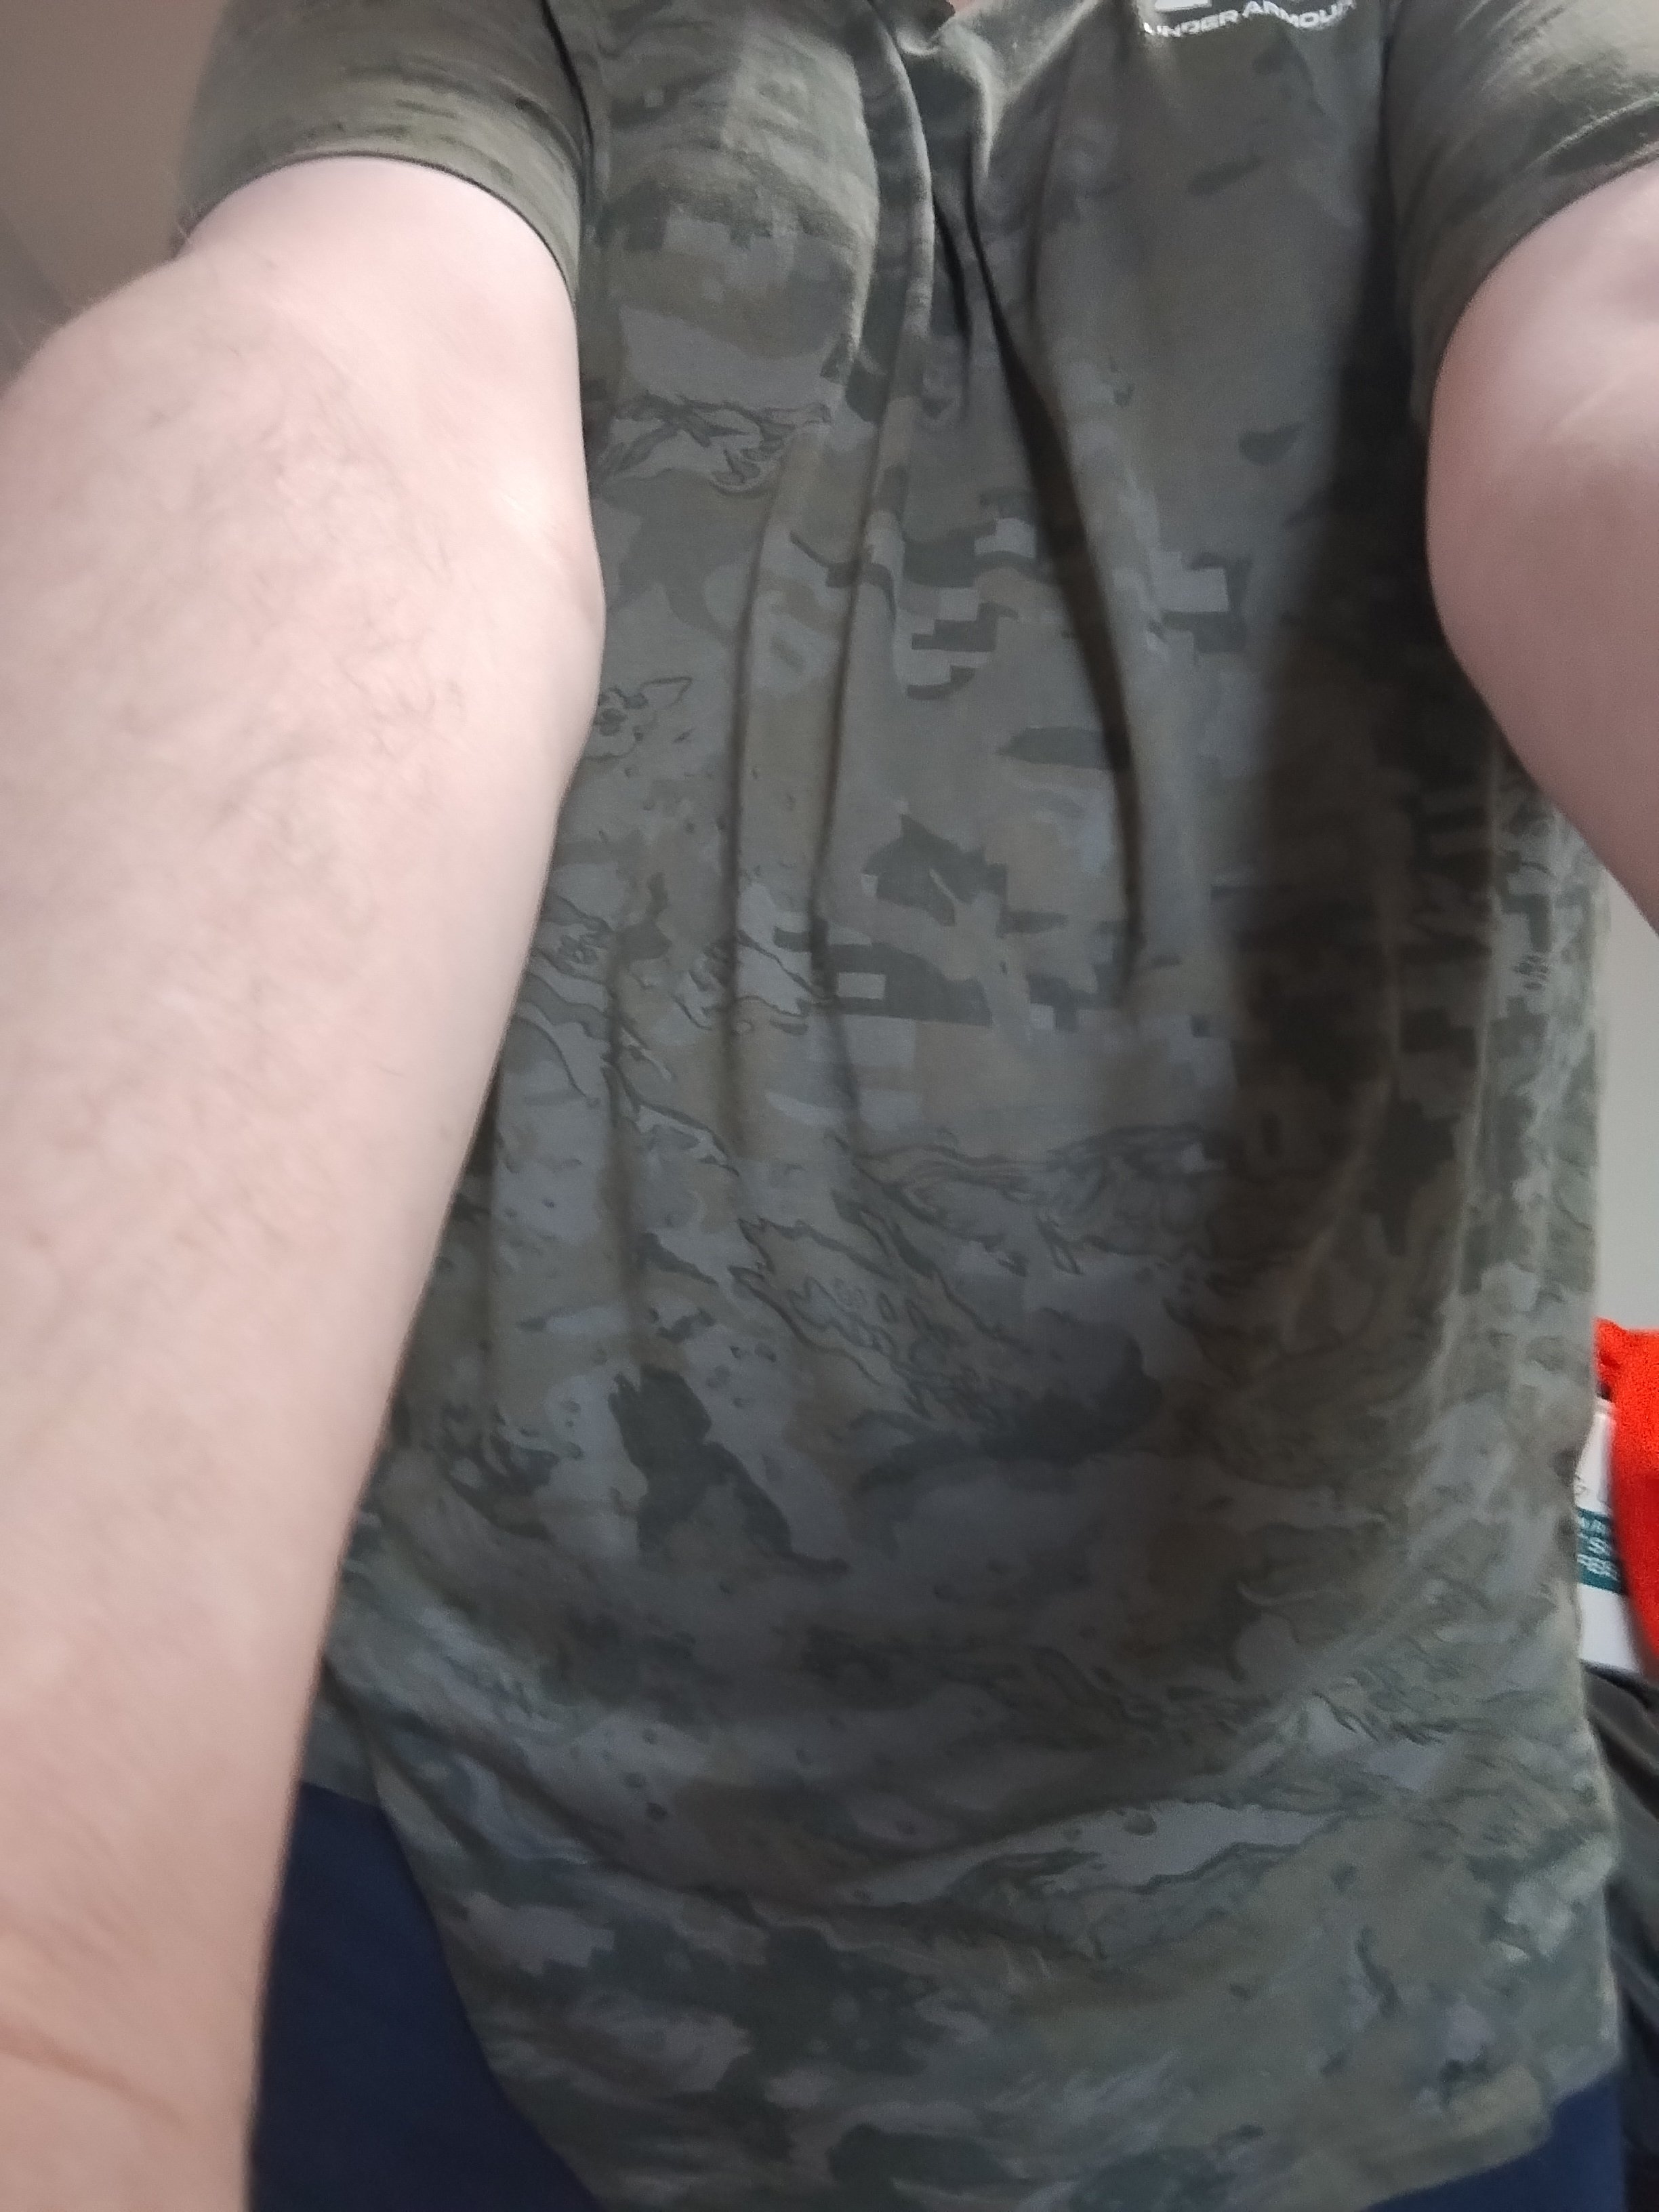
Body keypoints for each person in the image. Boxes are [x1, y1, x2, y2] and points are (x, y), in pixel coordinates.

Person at [1, 0, 1658, 2205]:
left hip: (1348, 1965)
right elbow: (348, 389)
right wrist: (46, 1943)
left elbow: (1614, 354)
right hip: (460, 1894)